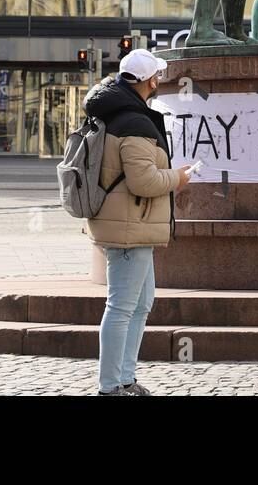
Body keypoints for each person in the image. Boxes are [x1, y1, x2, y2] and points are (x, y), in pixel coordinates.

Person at [83, 48, 192, 396]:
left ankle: (125, 379)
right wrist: (179, 178)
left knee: (140, 305)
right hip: (129, 225)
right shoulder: (132, 122)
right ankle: (110, 386)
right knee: (120, 307)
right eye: (156, 76)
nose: (159, 81)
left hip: (132, 223)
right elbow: (143, 182)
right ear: (149, 80)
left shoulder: (120, 112)